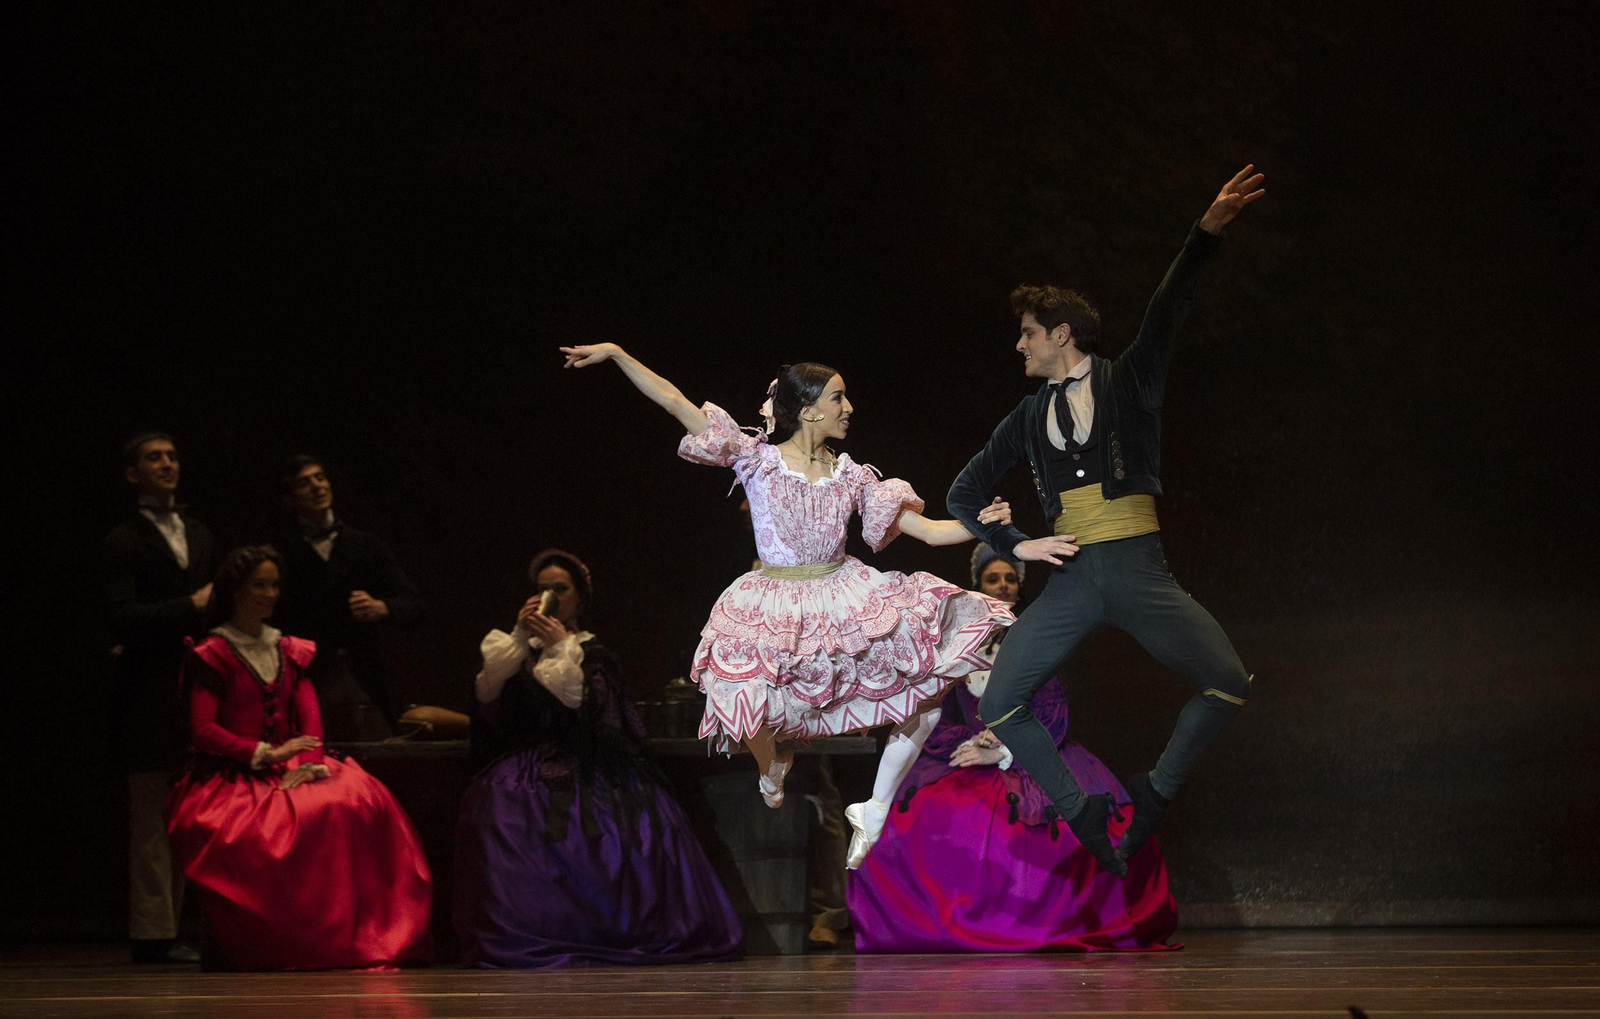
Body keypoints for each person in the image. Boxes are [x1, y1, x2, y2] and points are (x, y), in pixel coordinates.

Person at [560, 344, 1031, 869]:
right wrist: (618, 355)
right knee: (737, 692)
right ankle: (770, 766)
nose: (848, 407)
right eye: (838, 397)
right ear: (808, 410)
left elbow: (925, 530)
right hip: (775, 599)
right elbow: (674, 401)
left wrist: (982, 526)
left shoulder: (853, 476)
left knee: (925, 693)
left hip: (842, 591)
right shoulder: (755, 459)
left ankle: (873, 808)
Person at [947, 166, 1266, 875]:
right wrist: (1017, 541)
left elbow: (1169, 309)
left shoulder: (1129, 380)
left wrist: (1205, 235)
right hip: (1074, 576)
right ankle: (1082, 808)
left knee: (1227, 681)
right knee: (1000, 701)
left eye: (1029, 334)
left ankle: (1154, 791)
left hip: (1138, 569)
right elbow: (961, 493)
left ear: (1063, 333)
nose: (1020, 346)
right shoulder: (1027, 416)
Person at [847, 543, 1179, 952]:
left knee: (1065, 827)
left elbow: (1054, 712)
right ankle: (932, 926)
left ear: (1019, 588)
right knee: (924, 821)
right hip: (967, 753)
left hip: (1030, 752)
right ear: (977, 586)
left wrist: (1005, 749)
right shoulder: (956, 646)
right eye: (993, 579)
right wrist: (974, 741)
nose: (1002, 585)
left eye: (1009, 579)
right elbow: (939, 718)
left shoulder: (1036, 639)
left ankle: (1034, 923)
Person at [454, 548, 744, 968]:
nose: (550, 597)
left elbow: (592, 713)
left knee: (610, 825)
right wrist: (520, 636)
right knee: (497, 804)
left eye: (560, 589)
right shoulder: (516, 651)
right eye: (542, 589)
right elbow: (486, 703)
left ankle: (609, 928)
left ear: (579, 598)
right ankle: (530, 928)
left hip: (592, 764)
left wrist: (560, 647)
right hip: (528, 768)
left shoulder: (593, 654)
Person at [164, 545, 433, 970]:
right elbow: (203, 730)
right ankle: (289, 939)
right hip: (233, 772)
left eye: (274, 585)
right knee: (277, 825)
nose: (270, 593)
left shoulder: (287, 648)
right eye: (260, 585)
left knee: (359, 799)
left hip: (289, 764)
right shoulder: (215, 653)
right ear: (236, 590)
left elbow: (309, 715)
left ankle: (357, 932)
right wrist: (264, 752)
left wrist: (311, 761)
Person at [101, 432, 220, 964]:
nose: (167, 464)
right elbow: (121, 615)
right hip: (147, 692)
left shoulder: (197, 532)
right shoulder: (123, 540)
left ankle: (180, 928)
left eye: (172, 455)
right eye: (154, 457)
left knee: (189, 812)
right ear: (133, 474)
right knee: (151, 814)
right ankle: (153, 933)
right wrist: (187, 606)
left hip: (193, 688)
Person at [271, 454, 425, 740]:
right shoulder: (282, 555)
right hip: (309, 681)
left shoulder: (364, 545)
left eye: (320, 477)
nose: (317, 487)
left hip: (364, 676)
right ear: (289, 499)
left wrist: (382, 607)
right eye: (304, 483)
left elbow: (414, 605)